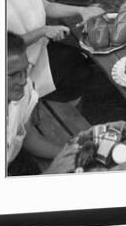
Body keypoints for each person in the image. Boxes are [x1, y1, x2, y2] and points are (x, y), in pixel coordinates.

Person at [7, 32, 80, 175]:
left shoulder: (24, 88)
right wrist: (53, 172)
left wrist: (68, 154)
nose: (23, 81)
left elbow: (27, 135)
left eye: (25, 70)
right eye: (13, 75)